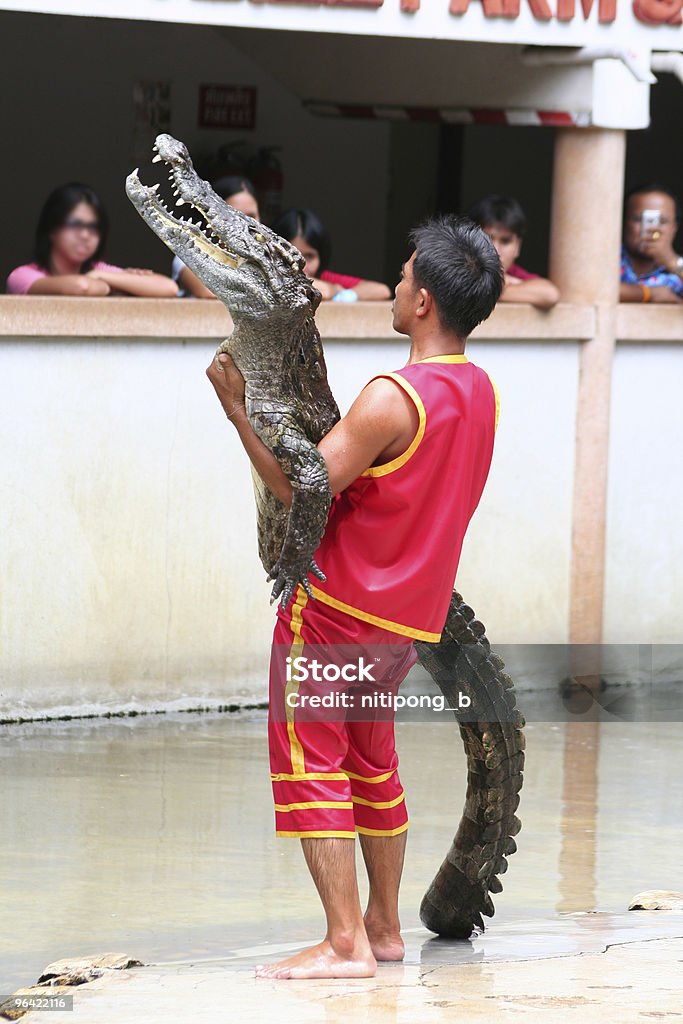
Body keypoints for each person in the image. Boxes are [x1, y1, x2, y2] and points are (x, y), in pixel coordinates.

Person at [206, 215, 503, 980]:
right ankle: (383, 927)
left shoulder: (389, 396)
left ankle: (343, 944)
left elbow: (299, 488)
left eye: (406, 276)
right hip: (405, 621)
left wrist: (235, 411)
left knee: (310, 764)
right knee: (373, 765)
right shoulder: (478, 390)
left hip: (334, 610)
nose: (396, 285)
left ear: (427, 302)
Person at [5, 183, 178, 297]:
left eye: (93, 227)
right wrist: (112, 284)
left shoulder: (99, 271)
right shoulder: (22, 275)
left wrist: (100, 275)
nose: (85, 235)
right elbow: (81, 287)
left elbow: (169, 288)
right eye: (75, 224)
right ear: (51, 229)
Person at [271, 207, 391, 302]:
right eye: (293, 255)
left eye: (310, 256)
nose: (302, 264)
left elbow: (382, 291)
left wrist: (339, 292)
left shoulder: (324, 279)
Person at [172, 176, 261, 299]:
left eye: (251, 217)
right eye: (233, 216)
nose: (244, 225)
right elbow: (210, 293)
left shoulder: (267, 260)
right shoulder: (191, 252)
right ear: (211, 219)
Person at [466, 195, 560, 310]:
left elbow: (549, 295)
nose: (495, 250)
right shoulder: (457, 270)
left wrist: (492, 288)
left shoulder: (514, 272)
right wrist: (511, 284)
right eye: (486, 239)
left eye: (505, 241)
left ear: (517, 247)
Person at [619, 184, 683, 303]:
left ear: (674, 228)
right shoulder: (607, 258)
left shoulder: (677, 271)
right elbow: (586, 287)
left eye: (662, 221)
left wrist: (672, 262)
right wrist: (647, 293)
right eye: (640, 220)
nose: (652, 229)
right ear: (623, 223)